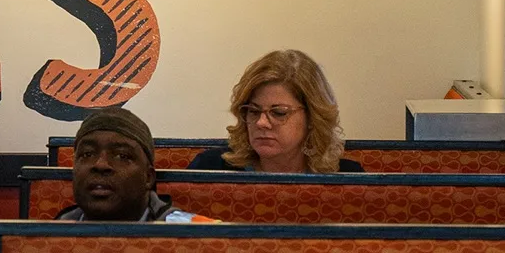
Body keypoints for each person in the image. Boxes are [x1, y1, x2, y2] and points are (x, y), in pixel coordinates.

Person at [188, 49, 364, 173]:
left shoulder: (347, 179)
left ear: (312, 118)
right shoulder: (209, 167)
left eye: (279, 113)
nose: (261, 123)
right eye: (253, 111)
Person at [56, 107, 215, 222]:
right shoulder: (49, 238)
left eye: (122, 156)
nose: (101, 164)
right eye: (87, 154)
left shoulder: (203, 239)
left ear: (148, 177)